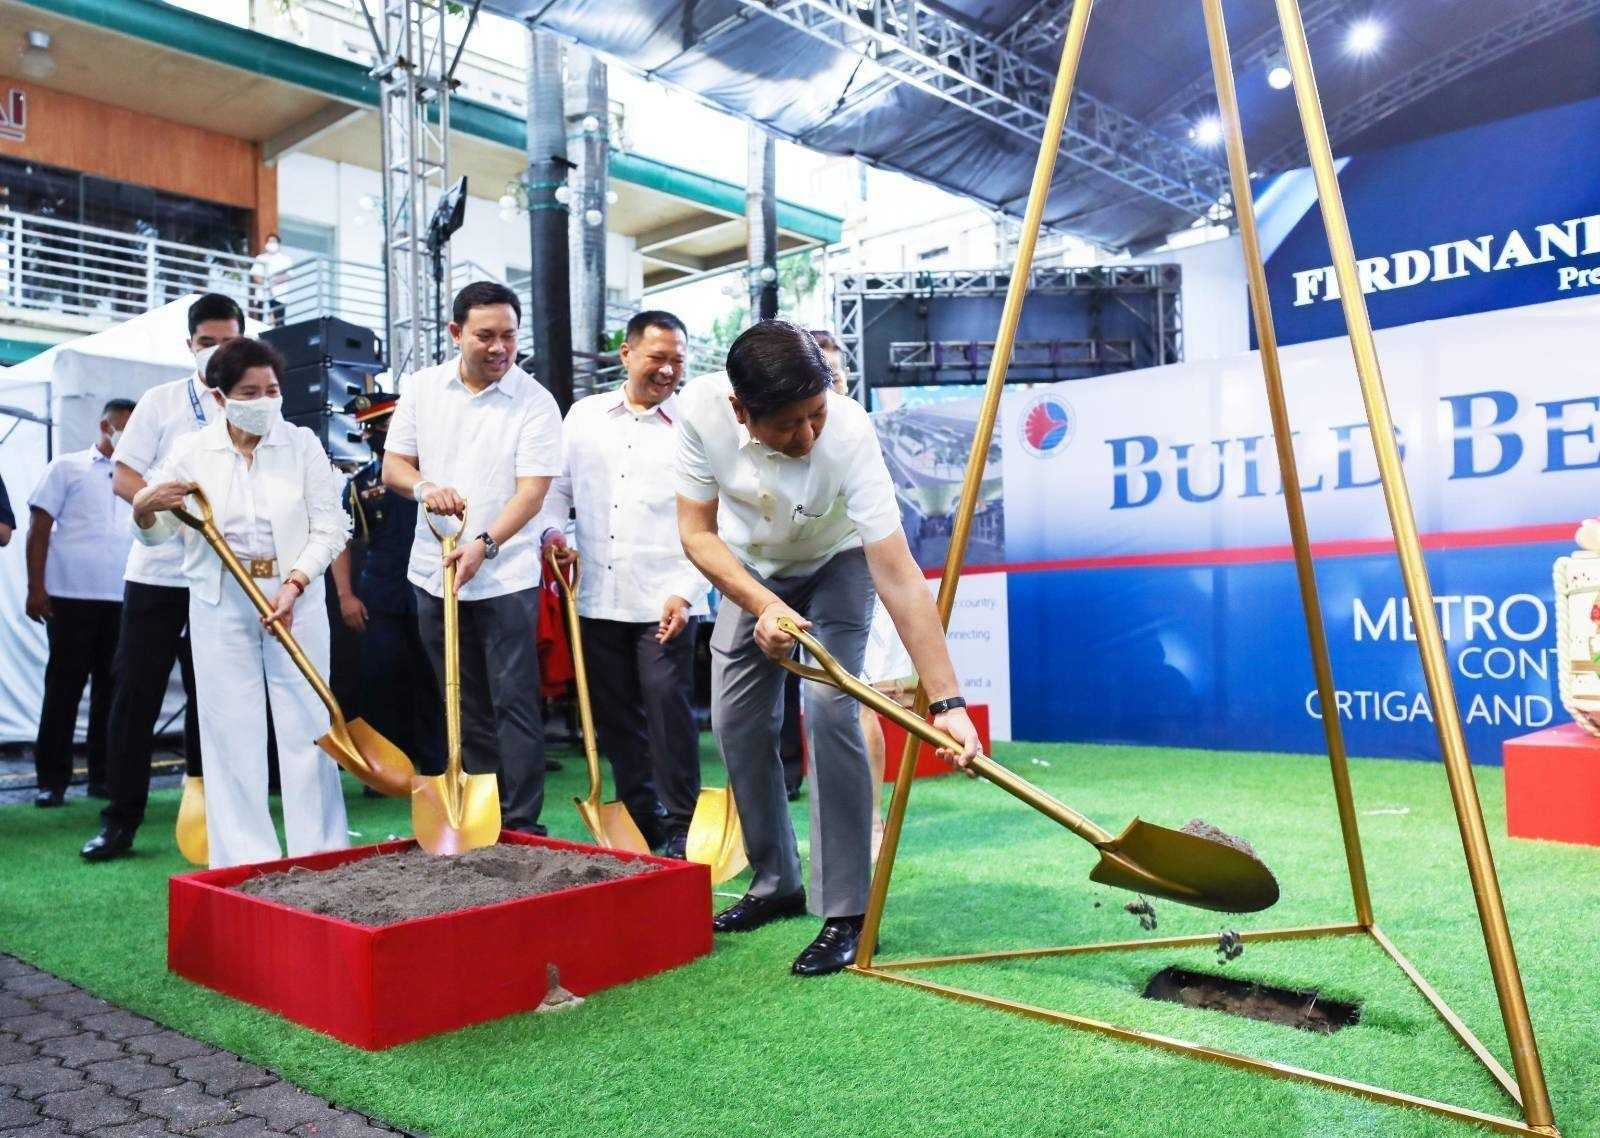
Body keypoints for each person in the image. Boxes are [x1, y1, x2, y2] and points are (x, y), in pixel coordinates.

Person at [676, 319, 981, 977]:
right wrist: (764, 606)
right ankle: (775, 881)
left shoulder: (848, 433)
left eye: (816, 413)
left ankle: (845, 909)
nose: (808, 435)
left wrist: (948, 701)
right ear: (740, 410)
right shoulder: (700, 411)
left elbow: (897, 573)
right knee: (735, 722)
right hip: (751, 568)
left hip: (836, 560)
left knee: (832, 707)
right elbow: (696, 535)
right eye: (789, 424)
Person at [130, 338, 351, 868]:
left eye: (272, 389)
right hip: (220, 599)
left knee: (309, 724)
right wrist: (142, 508)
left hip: (295, 594)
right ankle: (243, 858)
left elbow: (331, 525)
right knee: (231, 727)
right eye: (250, 391)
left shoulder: (301, 445)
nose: (264, 400)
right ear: (221, 396)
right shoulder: (191, 451)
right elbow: (159, 532)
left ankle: (318, 852)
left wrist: (294, 584)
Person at [383, 281, 561, 835]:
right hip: (432, 571)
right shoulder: (421, 388)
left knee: (514, 700)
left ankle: (524, 822)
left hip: (503, 572)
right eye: (486, 335)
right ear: (456, 333)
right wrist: (425, 487)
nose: (499, 347)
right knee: (460, 698)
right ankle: (482, 816)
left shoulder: (535, 400)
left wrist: (484, 544)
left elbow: (531, 493)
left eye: (509, 335)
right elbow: (394, 468)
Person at [540, 310, 710, 857]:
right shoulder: (585, 416)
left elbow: (715, 520)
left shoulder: (695, 425)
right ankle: (641, 819)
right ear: (627, 354)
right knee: (613, 715)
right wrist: (552, 533)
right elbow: (555, 490)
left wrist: (686, 592)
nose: (667, 371)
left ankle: (683, 825)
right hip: (593, 596)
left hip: (667, 597)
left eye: (677, 361)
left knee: (667, 706)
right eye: (658, 358)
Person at [83, 292, 243, 862]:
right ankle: (120, 820)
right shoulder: (160, 401)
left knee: (217, 696)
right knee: (135, 694)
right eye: (207, 343)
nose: (217, 352)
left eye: (227, 341)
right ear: (190, 347)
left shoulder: (253, 399)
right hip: (156, 572)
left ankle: (214, 813)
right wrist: (160, 501)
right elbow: (123, 477)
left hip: (225, 576)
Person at [24, 399, 138, 806]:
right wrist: (36, 587)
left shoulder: (140, 477)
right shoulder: (67, 467)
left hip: (122, 598)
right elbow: (39, 529)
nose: (127, 434)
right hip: (69, 596)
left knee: (112, 691)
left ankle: (102, 777)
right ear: (104, 425)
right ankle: (51, 780)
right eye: (122, 426)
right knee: (64, 687)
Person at [337, 392, 443, 778]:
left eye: (386, 426)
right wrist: (346, 595)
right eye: (375, 428)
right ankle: (385, 770)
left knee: (433, 678)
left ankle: (437, 763)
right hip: (380, 595)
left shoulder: (434, 474)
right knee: (380, 680)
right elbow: (341, 540)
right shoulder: (360, 484)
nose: (379, 434)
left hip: (429, 589)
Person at [249, 233, 293, 326]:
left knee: (279, 322)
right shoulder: (261, 258)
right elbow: (255, 275)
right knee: (259, 322)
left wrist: (273, 282)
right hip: (262, 293)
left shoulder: (285, 259)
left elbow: (288, 275)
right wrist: (266, 284)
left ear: (278, 244)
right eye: (269, 241)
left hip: (279, 295)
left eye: (273, 241)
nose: (271, 243)